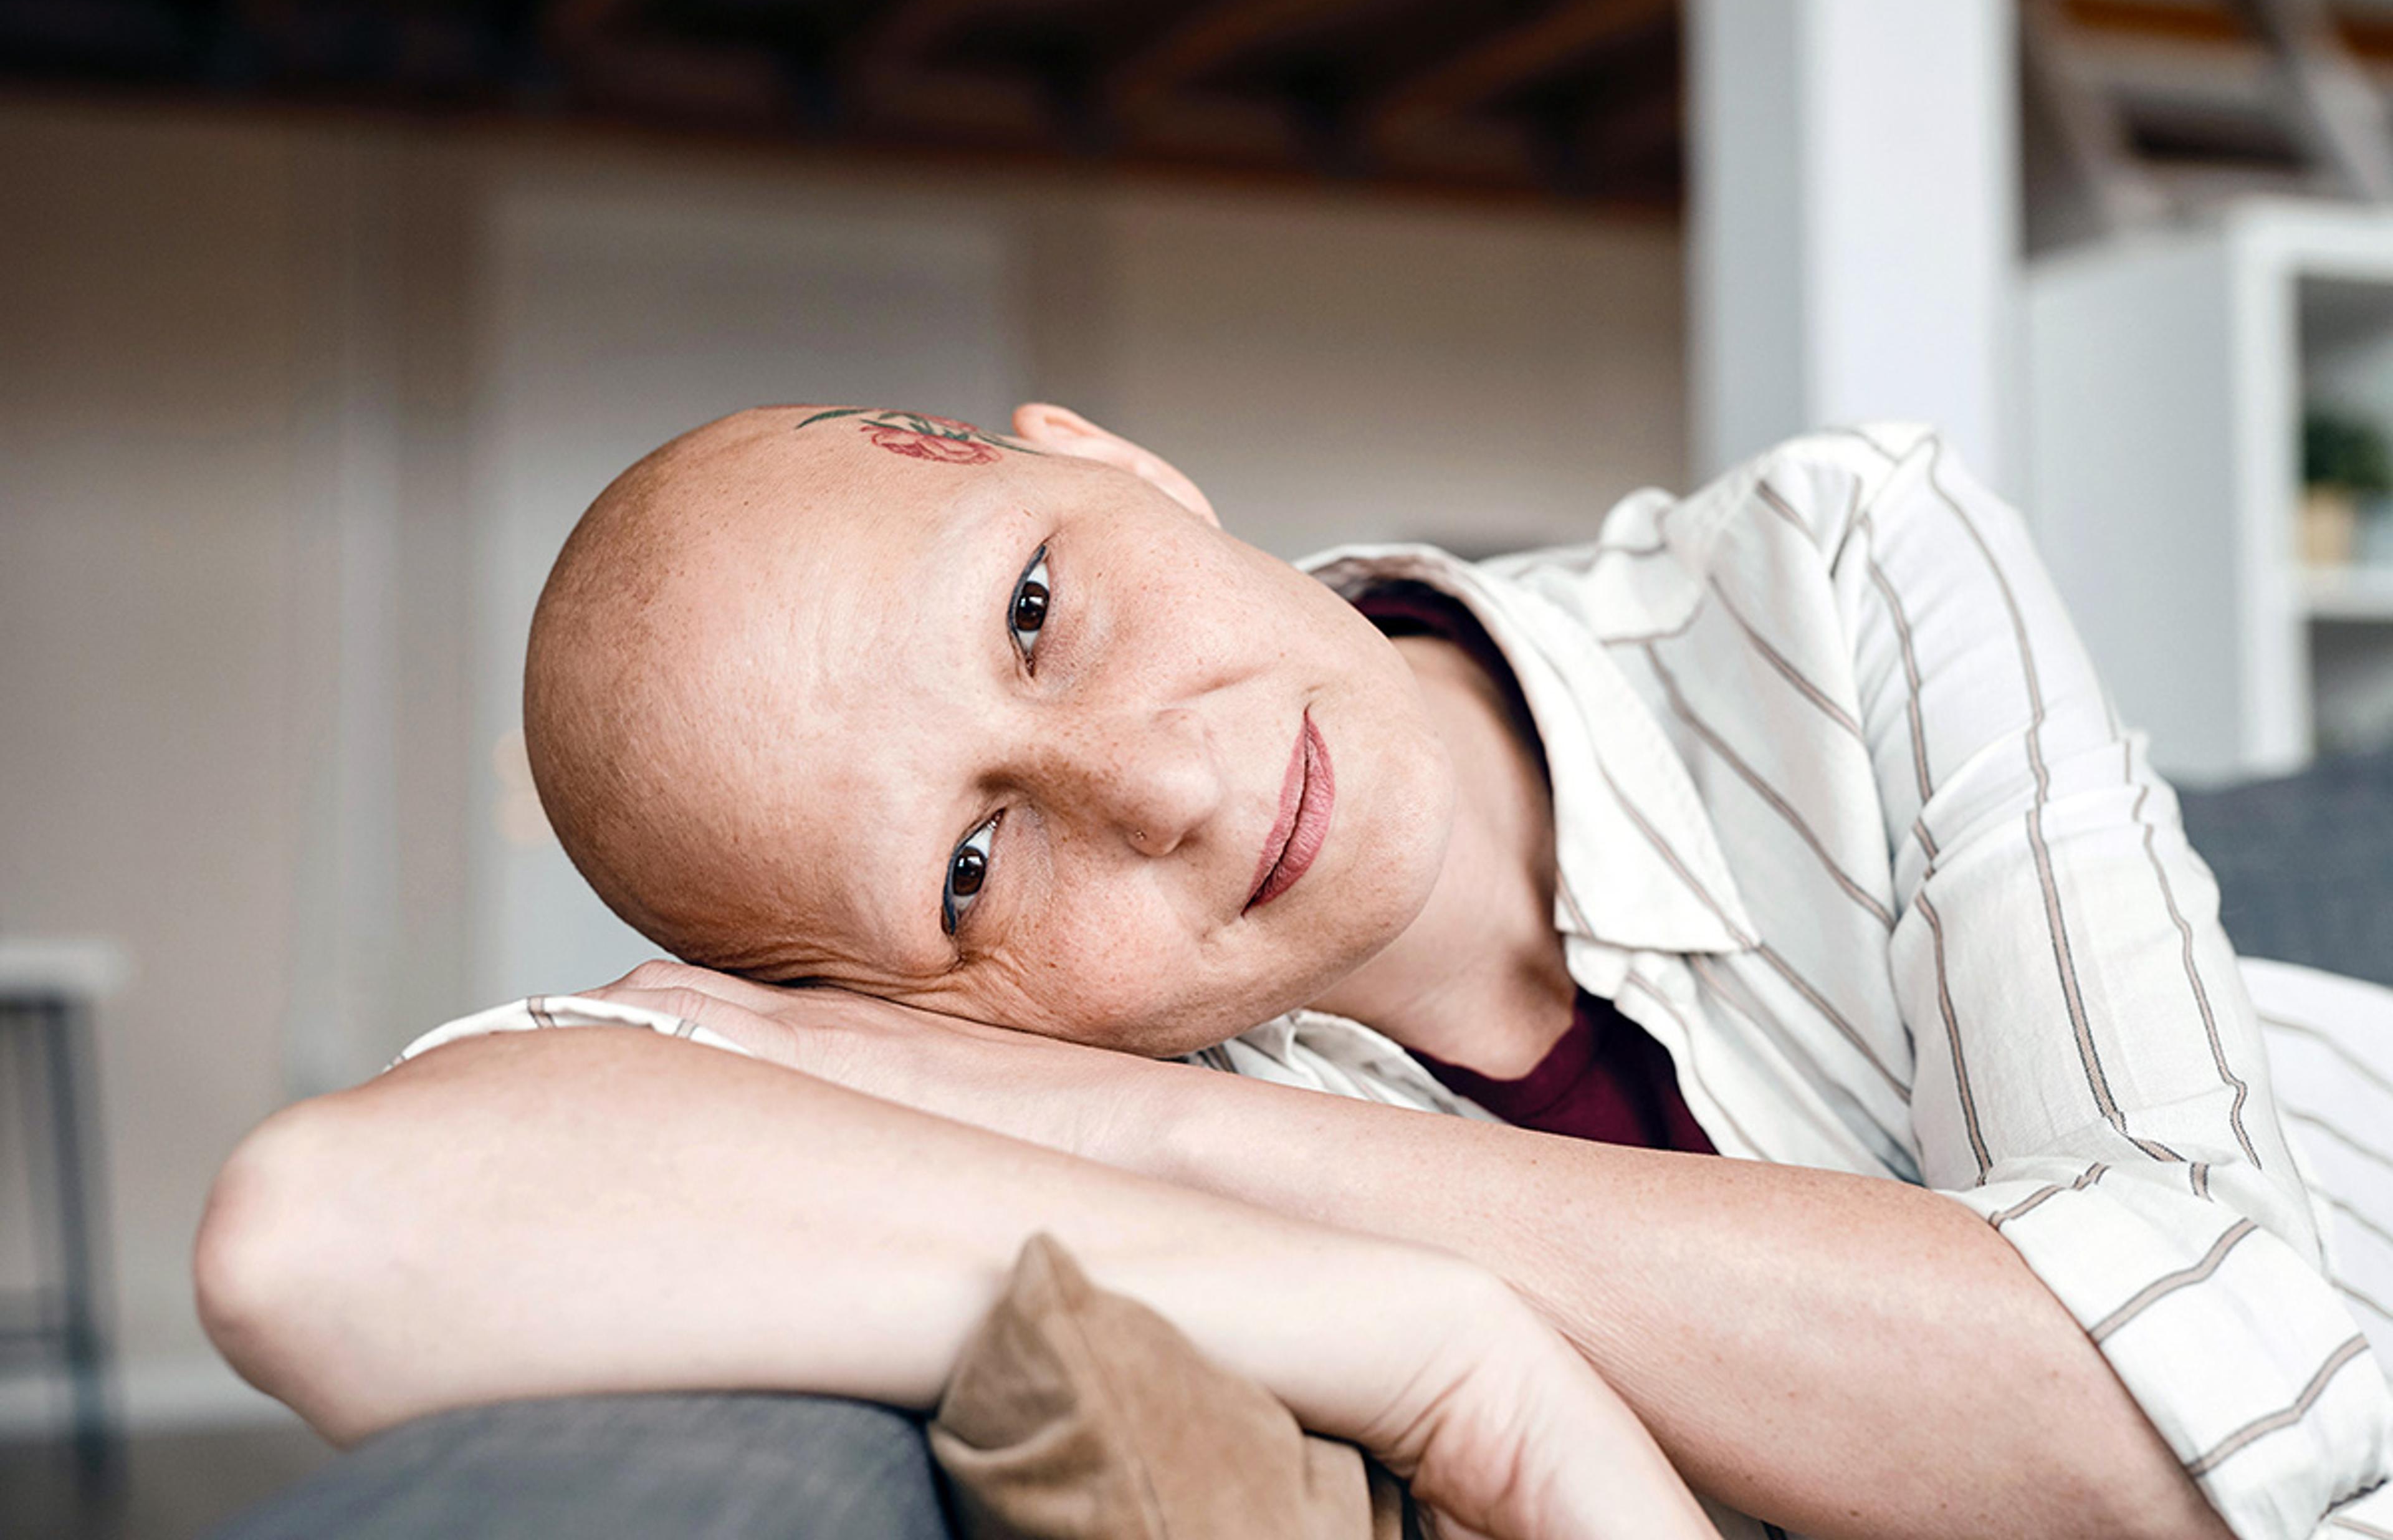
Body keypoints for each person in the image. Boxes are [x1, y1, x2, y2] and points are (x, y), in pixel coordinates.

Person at [196, 403, 2393, 1540]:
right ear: (905, 1009)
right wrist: (1454, 1363)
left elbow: (2214, 1423)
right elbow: (321, 1236)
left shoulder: (1831, 570)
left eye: (1035, 610)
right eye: (969, 867)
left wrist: (1137, 1134)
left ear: (1105, 457)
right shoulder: (1032, 1058)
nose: (1162, 785)